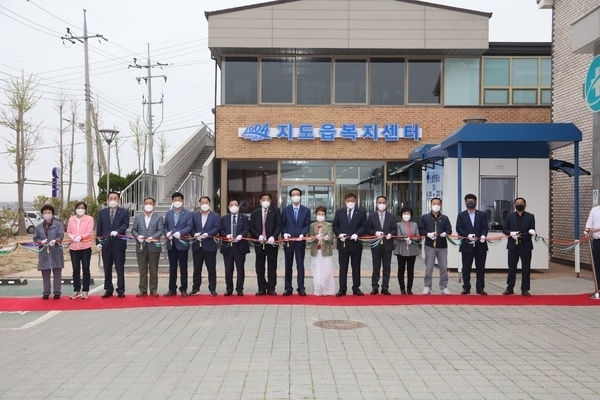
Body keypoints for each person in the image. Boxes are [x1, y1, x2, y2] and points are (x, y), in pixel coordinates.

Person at [96, 191, 130, 298]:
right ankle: (108, 289)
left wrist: (118, 231)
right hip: (106, 245)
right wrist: (98, 242)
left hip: (118, 244)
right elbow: (99, 228)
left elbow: (125, 224)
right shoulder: (102, 212)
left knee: (120, 268)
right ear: (107, 200)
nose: (113, 200)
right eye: (111, 198)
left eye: (115, 198)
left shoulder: (124, 212)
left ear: (119, 200)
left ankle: (121, 289)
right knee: (107, 268)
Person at [332, 192, 367, 296]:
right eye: (348, 201)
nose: (350, 202)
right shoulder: (339, 212)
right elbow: (335, 226)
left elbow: (364, 226)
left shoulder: (361, 212)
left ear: (355, 201)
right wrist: (339, 234)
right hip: (343, 244)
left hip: (356, 243)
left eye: (352, 201)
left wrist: (357, 234)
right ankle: (342, 288)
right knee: (343, 267)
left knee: (356, 267)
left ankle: (356, 288)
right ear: (344, 201)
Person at [456, 194, 489, 295]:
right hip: (466, 245)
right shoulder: (461, 215)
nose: (470, 203)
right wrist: (467, 235)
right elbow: (459, 228)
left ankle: (480, 288)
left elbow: (485, 227)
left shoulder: (482, 214)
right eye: (468, 201)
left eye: (472, 201)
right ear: (465, 202)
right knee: (466, 267)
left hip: (480, 245)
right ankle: (466, 287)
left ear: (476, 202)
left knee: (480, 268)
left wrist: (483, 235)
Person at [249, 192, 281, 296]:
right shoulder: (255, 213)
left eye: (268, 199)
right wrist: (258, 236)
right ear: (260, 201)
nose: (265, 201)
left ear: (271, 201)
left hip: (271, 243)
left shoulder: (276, 211)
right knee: (259, 266)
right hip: (259, 243)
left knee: (272, 266)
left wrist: (274, 236)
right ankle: (261, 287)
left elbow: (278, 225)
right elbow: (251, 227)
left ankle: (271, 288)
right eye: (263, 199)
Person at [502, 197, 536, 296]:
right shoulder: (510, 216)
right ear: (514, 205)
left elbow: (532, 228)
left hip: (526, 246)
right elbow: (505, 229)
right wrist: (511, 233)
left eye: (521, 203)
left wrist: (531, 231)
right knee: (511, 268)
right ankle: (510, 288)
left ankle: (525, 289)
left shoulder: (530, 216)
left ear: (525, 205)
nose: (519, 204)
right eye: (517, 203)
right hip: (513, 246)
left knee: (526, 268)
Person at [418, 197, 452, 295]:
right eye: (434, 204)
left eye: (438, 204)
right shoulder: (425, 217)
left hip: (442, 246)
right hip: (429, 246)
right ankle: (427, 286)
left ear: (441, 205)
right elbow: (421, 230)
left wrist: (445, 233)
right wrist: (427, 234)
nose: (435, 206)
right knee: (429, 268)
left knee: (443, 268)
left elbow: (449, 230)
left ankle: (443, 287)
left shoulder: (445, 218)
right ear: (430, 205)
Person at [281, 188, 311, 296]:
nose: (295, 196)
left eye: (297, 194)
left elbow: (307, 225)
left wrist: (303, 234)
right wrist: (284, 233)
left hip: (300, 242)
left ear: (300, 196)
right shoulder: (285, 210)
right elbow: (283, 225)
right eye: (293, 194)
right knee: (288, 265)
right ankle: (288, 288)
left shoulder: (306, 210)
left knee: (300, 265)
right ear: (290, 197)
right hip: (289, 241)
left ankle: (301, 287)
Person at [131, 197, 164, 298]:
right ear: (143, 205)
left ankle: (153, 290)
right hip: (141, 246)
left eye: (150, 203)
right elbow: (133, 230)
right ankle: (142, 289)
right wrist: (138, 236)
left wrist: (153, 237)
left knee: (154, 269)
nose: (148, 205)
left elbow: (160, 230)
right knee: (142, 269)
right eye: (146, 203)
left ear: (153, 205)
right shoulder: (138, 217)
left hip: (153, 246)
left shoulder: (158, 217)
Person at [163, 192, 194, 297]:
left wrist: (180, 233)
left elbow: (189, 226)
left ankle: (183, 288)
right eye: (175, 200)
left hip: (182, 244)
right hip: (171, 244)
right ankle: (172, 288)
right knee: (172, 267)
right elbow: (165, 226)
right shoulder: (169, 213)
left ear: (183, 201)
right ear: (172, 201)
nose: (177, 202)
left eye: (179, 200)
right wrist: (167, 233)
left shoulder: (188, 213)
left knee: (183, 267)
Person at [366, 196, 397, 295]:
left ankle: (385, 287)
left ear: (387, 204)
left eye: (383, 202)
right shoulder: (371, 216)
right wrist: (375, 233)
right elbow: (368, 229)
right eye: (380, 202)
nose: (382, 204)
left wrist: (390, 234)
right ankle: (375, 287)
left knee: (387, 267)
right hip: (376, 245)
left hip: (387, 245)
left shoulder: (391, 217)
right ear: (376, 204)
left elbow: (394, 230)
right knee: (376, 267)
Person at [190, 196, 221, 296]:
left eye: (206, 202)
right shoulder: (194, 216)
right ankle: (195, 287)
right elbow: (191, 227)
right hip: (197, 245)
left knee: (211, 268)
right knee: (197, 268)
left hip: (210, 245)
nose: (204, 204)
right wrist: (194, 234)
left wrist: (208, 234)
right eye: (202, 202)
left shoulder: (215, 216)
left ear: (210, 203)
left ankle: (212, 288)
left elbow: (217, 227)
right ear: (199, 204)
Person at [34, 205, 65, 300]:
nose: (47, 214)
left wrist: (55, 240)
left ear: (52, 214)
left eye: (49, 213)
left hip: (56, 250)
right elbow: (35, 238)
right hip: (44, 251)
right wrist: (40, 241)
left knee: (57, 271)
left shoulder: (58, 225)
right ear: (42, 214)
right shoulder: (39, 227)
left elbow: (61, 235)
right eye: (45, 213)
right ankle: (46, 292)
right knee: (45, 272)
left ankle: (57, 292)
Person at [220, 199, 250, 296]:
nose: (234, 206)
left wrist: (241, 235)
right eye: (231, 205)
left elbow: (246, 229)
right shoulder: (224, 218)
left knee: (240, 269)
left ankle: (239, 289)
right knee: (228, 269)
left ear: (239, 206)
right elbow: (221, 230)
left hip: (240, 247)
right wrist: (226, 236)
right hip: (228, 247)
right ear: (228, 207)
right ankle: (229, 289)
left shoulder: (244, 217)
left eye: (236, 205)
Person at [66, 201, 94, 300]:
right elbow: (68, 231)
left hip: (85, 247)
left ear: (85, 209)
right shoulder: (71, 219)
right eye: (78, 207)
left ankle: (85, 290)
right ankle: (76, 289)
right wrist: (72, 236)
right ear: (76, 209)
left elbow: (89, 231)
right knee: (75, 269)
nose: (80, 209)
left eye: (82, 207)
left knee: (86, 268)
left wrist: (81, 237)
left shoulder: (89, 219)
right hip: (74, 247)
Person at [308, 206, 335, 296]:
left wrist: (327, 238)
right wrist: (315, 237)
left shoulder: (328, 225)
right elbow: (310, 237)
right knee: (317, 270)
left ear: (325, 215)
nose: (320, 215)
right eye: (319, 214)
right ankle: (318, 289)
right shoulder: (313, 225)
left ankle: (326, 290)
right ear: (316, 215)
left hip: (326, 251)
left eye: (322, 214)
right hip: (316, 251)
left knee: (326, 270)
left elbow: (330, 237)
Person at [394, 207, 420, 295]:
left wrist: (413, 240)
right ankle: (402, 288)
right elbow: (398, 236)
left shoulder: (415, 224)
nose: (406, 215)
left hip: (412, 248)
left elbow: (418, 236)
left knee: (410, 269)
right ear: (401, 215)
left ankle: (409, 288)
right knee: (401, 269)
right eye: (404, 213)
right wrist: (404, 238)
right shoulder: (398, 224)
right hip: (401, 248)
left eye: (408, 213)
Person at [585, 204, 600, 300]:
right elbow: (588, 227)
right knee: (597, 266)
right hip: (597, 241)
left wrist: (596, 229)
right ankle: (598, 289)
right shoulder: (595, 210)